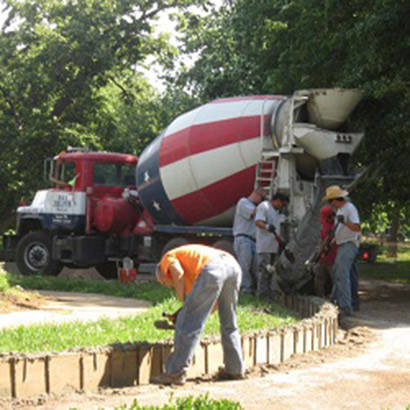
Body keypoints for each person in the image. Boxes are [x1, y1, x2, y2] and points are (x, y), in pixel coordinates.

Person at [152, 244, 244, 385]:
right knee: (229, 322)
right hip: (232, 266)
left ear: (163, 273)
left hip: (214, 266)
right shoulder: (195, 273)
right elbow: (214, 305)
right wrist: (185, 311)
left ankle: (175, 373)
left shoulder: (167, 258)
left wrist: (183, 305)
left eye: (164, 282)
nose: (167, 285)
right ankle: (235, 368)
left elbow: (177, 273)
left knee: (187, 322)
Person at [322, 185, 361, 317]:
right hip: (342, 244)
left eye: (330, 201)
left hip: (349, 244)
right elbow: (339, 231)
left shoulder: (349, 208)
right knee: (348, 275)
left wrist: (345, 221)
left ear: (334, 200)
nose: (330, 204)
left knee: (341, 274)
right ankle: (347, 301)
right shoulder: (340, 210)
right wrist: (331, 243)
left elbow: (356, 227)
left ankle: (344, 306)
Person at [255, 192, 289, 300]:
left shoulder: (277, 212)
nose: (282, 207)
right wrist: (267, 226)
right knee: (264, 270)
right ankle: (262, 295)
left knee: (270, 272)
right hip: (264, 246)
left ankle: (268, 294)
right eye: (282, 204)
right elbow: (258, 222)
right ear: (277, 200)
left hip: (273, 246)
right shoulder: (264, 206)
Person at [233, 187, 266, 294]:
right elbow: (253, 213)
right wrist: (265, 206)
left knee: (255, 266)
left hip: (252, 240)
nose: (261, 201)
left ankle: (253, 289)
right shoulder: (243, 202)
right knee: (245, 265)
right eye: (262, 198)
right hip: (243, 238)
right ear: (256, 195)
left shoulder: (253, 206)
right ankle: (245, 289)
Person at [315, 205, 338, 297]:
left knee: (334, 278)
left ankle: (336, 297)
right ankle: (320, 296)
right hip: (323, 256)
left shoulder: (336, 226)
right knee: (319, 277)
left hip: (333, 256)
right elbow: (321, 238)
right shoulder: (324, 223)